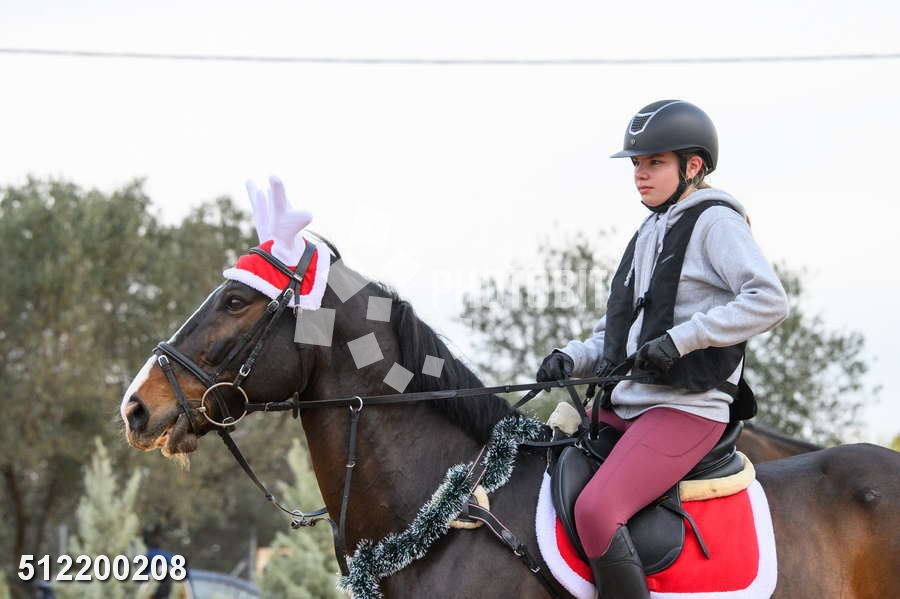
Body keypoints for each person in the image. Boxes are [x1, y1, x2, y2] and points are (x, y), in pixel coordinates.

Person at [536, 100, 789, 599]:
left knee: (597, 511)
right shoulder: (649, 231)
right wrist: (573, 356)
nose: (640, 174)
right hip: (628, 406)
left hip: (687, 410)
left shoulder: (716, 223)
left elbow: (769, 300)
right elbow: (621, 334)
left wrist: (682, 340)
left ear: (692, 166)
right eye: (636, 163)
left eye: (654, 162)